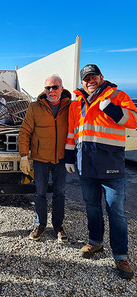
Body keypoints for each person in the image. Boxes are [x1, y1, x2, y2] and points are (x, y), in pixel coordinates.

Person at [65, 64, 137, 280]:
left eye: (93, 76)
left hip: (111, 164)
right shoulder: (76, 103)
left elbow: (134, 122)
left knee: (116, 212)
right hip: (85, 165)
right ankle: (95, 243)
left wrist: (112, 109)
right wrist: (69, 157)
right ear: (81, 82)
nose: (90, 81)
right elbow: (72, 131)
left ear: (101, 77)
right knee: (92, 208)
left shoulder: (117, 95)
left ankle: (121, 256)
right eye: (86, 78)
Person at [18, 75, 71, 242]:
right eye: (48, 88)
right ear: (44, 89)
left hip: (61, 158)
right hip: (40, 158)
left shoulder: (70, 107)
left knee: (59, 193)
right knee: (40, 193)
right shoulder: (35, 107)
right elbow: (24, 132)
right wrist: (23, 156)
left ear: (62, 88)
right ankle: (40, 225)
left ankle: (58, 226)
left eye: (55, 87)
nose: (51, 91)